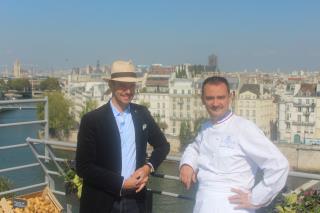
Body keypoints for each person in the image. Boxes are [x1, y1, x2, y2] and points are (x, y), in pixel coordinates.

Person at [179, 76, 289, 213]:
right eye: (210, 98)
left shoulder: (244, 128)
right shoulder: (205, 128)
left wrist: (256, 198)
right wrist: (187, 164)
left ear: (230, 97)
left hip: (233, 206)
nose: (215, 103)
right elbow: (194, 147)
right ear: (202, 100)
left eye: (221, 97)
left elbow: (279, 165)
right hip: (203, 203)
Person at [76, 60, 170, 213]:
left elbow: (163, 145)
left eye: (132, 86)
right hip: (102, 201)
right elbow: (83, 167)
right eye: (122, 86)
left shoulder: (142, 114)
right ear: (111, 86)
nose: (128, 91)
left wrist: (148, 168)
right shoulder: (92, 120)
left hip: (135, 199)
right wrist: (120, 184)